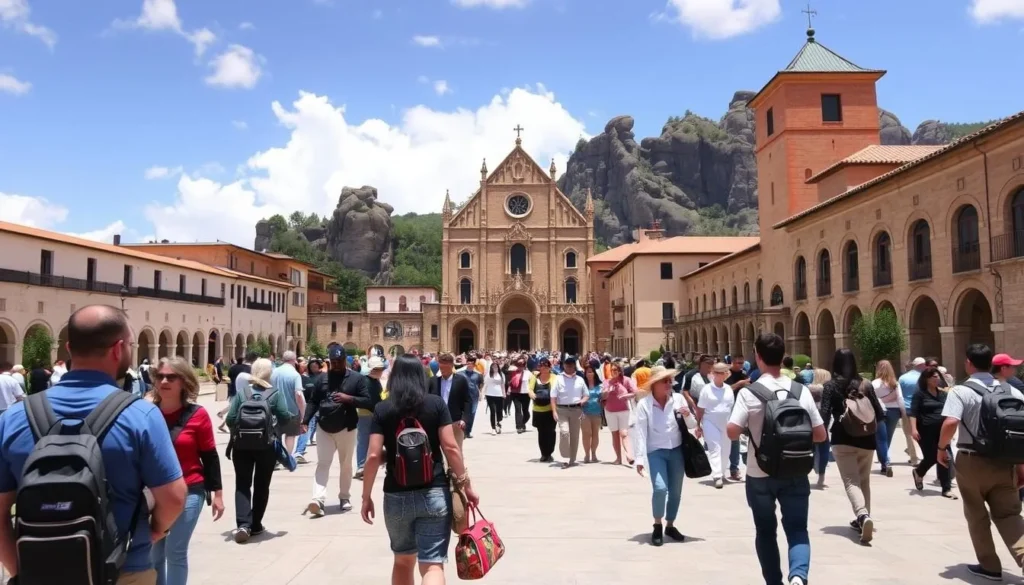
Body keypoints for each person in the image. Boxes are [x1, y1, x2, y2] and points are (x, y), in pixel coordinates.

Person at [0, 305, 187, 585]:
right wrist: (156, 530)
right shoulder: (141, 415)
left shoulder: (13, 418)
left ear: (69, 347)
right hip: (122, 568)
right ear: (118, 349)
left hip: (39, 571)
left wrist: (19, 569)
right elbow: (173, 497)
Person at [360, 354, 480, 585]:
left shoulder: (383, 409)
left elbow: (373, 455)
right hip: (433, 491)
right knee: (432, 564)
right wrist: (467, 486)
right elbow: (451, 448)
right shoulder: (435, 404)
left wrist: (366, 497)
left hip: (396, 494)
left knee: (403, 561)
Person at [727, 332, 826, 585]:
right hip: (795, 470)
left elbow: (732, 431)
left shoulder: (750, 393)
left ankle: (774, 582)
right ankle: (798, 577)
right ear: (783, 358)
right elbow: (820, 434)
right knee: (797, 530)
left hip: (759, 471)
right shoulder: (800, 391)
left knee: (765, 531)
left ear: (758, 357)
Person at [939, 344, 1024, 581]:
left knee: (977, 515)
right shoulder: (1013, 392)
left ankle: (990, 567)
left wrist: (940, 448)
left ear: (968, 363)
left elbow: (950, 423)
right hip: (1005, 462)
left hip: (971, 460)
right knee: (1010, 516)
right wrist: (1020, 465)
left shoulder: (960, 392)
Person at [149, 357, 225, 585]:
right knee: (154, 553)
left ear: (183, 381)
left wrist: (218, 494)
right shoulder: (147, 413)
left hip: (189, 490)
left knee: (175, 551)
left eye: (170, 377)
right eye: (159, 376)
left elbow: (210, 456)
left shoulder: (197, 415)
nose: (164, 381)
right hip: (154, 494)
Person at [819, 349, 884, 544]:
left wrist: (820, 435)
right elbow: (879, 414)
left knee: (850, 481)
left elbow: (824, 413)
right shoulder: (866, 384)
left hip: (842, 437)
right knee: (864, 480)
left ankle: (863, 516)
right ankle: (864, 517)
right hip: (866, 438)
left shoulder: (830, 386)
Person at [225, 357, 292, 543]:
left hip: (241, 446)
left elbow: (230, 419)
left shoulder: (243, 393)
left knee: (242, 484)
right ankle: (255, 526)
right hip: (266, 446)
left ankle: (243, 525)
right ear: (269, 373)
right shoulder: (274, 393)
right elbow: (285, 417)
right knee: (262, 485)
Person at [304, 346, 372, 517]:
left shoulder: (357, 379)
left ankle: (344, 497)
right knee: (323, 463)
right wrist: (304, 420)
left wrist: (348, 398)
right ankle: (318, 499)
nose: (336, 365)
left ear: (345, 360)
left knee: (346, 465)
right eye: (333, 362)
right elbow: (313, 401)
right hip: (324, 427)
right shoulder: (322, 379)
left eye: (339, 362)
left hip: (347, 428)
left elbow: (368, 401)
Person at [633, 365, 696, 546]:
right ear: (654, 384)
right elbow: (641, 434)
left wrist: (687, 415)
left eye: (670, 380)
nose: (669, 384)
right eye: (665, 381)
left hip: (676, 451)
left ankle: (670, 525)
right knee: (660, 488)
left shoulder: (678, 400)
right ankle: (657, 525)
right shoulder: (645, 405)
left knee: (675, 492)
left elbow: (691, 425)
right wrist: (639, 459)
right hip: (656, 452)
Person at [910, 366, 955, 499]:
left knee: (944, 456)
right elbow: (913, 413)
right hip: (924, 431)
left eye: (938, 377)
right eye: (933, 377)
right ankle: (918, 471)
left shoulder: (943, 394)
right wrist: (913, 429)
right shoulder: (920, 394)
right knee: (931, 457)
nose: (937, 379)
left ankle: (946, 489)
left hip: (942, 431)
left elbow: (949, 412)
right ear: (926, 379)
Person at [696, 362, 735, 489]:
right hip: (710, 421)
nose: (721, 375)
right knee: (715, 448)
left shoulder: (728, 389)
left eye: (723, 373)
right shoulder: (706, 389)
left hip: (726, 422)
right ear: (714, 374)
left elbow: (731, 407)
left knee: (726, 449)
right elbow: (700, 408)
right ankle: (717, 475)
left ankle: (722, 473)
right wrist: (698, 425)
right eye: (718, 373)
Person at [428, 353, 473, 451]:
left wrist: (464, 419)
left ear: (452, 366)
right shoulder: (433, 381)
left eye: (445, 368)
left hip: (455, 421)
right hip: (436, 421)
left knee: (455, 449)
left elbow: (467, 401)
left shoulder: (461, 381)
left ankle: (456, 466)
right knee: (436, 449)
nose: (442, 371)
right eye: (441, 368)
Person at [551, 356, 588, 468]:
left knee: (575, 435)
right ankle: (565, 458)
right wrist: (554, 411)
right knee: (564, 432)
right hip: (562, 409)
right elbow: (553, 396)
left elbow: (586, 394)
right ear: (564, 366)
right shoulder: (558, 378)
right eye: (567, 365)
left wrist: (583, 401)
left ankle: (572, 459)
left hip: (576, 410)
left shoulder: (580, 379)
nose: (570, 367)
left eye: (572, 365)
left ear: (574, 366)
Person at [871, 360, 905, 477]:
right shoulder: (895, 383)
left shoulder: (874, 383)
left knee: (881, 439)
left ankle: (885, 462)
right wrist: (904, 412)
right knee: (887, 438)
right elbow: (900, 399)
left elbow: (872, 399)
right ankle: (885, 461)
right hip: (894, 411)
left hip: (879, 412)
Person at [355, 357, 387, 479]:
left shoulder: (375, 381)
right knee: (363, 441)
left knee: (370, 442)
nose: (380, 371)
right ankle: (361, 466)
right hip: (365, 414)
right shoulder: (365, 381)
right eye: (378, 369)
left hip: (373, 413)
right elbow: (367, 400)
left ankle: (365, 466)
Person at [271, 351, 307, 457]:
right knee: (290, 435)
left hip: (275, 410)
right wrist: (303, 413)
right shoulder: (295, 375)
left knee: (276, 435)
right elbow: (299, 395)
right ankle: (288, 457)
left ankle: (276, 458)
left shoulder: (274, 372)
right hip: (292, 411)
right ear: (294, 360)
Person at [602, 361, 637, 466]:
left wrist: (625, 396)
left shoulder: (626, 380)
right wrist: (606, 392)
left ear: (620, 371)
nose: (614, 372)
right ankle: (618, 458)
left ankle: (629, 455)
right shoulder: (607, 382)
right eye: (612, 370)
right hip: (610, 411)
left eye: (616, 370)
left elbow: (635, 392)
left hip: (623, 410)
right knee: (615, 434)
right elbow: (603, 397)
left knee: (624, 433)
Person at [899, 357, 927, 466]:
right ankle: (924, 455)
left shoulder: (903, 378)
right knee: (923, 432)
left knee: (909, 434)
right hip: (922, 408)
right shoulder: (925, 378)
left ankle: (914, 458)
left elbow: (899, 395)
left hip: (907, 408)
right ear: (922, 365)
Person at [807, 368, 832, 488]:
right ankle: (821, 476)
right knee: (824, 449)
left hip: (808, 421)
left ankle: (805, 471)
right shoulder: (826, 389)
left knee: (808, 450)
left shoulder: (808, 388)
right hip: (823, 422)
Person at [531, 357, 557, 462]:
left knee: (551, 432)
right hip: (538, 409)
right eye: (542, 366)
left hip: (551, 409)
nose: (544, 368)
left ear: (549, 367)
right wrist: (535, 397)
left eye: (546, 366)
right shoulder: (534, 377)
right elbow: (530, 389)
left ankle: (549, 452)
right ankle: (543, 454)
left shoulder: (555, 377)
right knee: (541, 433)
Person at [581, 363, 604, 463]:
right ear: (585, 374)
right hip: (584, 412)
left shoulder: (600, 386)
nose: (589, 374)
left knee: (595, 434)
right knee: (586, 434)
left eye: (591, 372)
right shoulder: (582, 385)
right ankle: (587, 454)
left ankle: (594, 454)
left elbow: (603, 398)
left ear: (594, 373)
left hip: (597, 412)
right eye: (587, 372)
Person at [461, 354, 484, 439]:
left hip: (474, 397)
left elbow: (481, 384)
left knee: (472, 414)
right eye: (468, 363)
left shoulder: (478, 375)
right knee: (463, 415)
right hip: (463, 397)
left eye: (471, 363)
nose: (469, 365)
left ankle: (468, 431)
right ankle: (462, 431)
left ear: (474, 365)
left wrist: (480, 393)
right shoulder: (460, 374)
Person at [508, 357, 533, 433]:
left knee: (525, 411)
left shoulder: (529, 373)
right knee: (518, 410)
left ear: (524, 365)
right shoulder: (513, 373)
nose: (520, 367)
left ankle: (522, 423)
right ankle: (519, 427)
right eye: (518, 365)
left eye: (521, 365)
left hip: (525, 394)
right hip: (515, 394)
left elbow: (532, 384)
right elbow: (510, 382)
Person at [483, 361, 506, 435]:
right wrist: (483, 394)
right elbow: (485, 384)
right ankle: (493, 428)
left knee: (499, 411)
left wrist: (504, 393)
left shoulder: (501, 375)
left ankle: (498, 423)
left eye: (496, 367)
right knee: (493, 411)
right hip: (490, 395)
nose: (495, 368)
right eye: (493, 367)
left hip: (499, 395)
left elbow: (503, 385)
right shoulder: (488, 375)